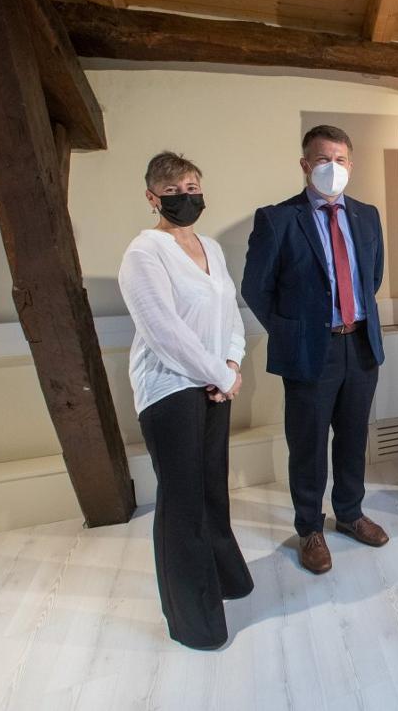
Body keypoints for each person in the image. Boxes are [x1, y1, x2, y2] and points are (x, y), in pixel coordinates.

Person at [118, 151, 253, 650]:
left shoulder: (210, 247)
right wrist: (219, 374)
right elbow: (164, 332)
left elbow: (230, 312)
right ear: (152, 197)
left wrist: (232, 364)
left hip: (216, 384)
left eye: (191, 188)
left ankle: (224, 579)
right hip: (170, 389)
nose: (184, 197)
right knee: (183, 502)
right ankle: (193, 620)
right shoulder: (144, 253)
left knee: (212, 489)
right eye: (172, 192)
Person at [242, 125, 388, 576]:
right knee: (307, 444)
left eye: (340, 160)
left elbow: (372, 277)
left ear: (351, 164)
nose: (333, 167)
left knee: (353, 437)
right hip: (310, 352)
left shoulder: (367, 216)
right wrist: (293, 332)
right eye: (323, 160)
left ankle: (350, 513)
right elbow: (255, 288)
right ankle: (309, 528)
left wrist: (351, 316)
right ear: (306, 165)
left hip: (360, 345)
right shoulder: (278, 219)